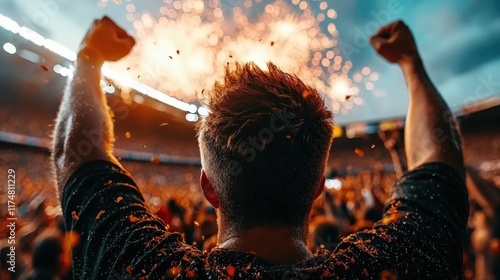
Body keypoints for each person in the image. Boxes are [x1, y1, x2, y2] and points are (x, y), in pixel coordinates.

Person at [52, 17, 469, 279]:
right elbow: (440, 162)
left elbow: (76, 152)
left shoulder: (141, 266)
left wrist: (89, 57)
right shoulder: (396, 262)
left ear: (208, 187)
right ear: (317, 189)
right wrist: (411, 65)